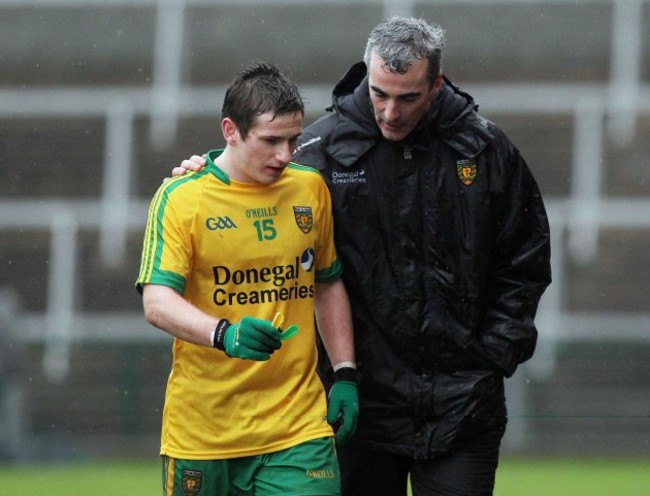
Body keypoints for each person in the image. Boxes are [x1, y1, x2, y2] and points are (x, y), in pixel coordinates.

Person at [172, 16, 552, 496]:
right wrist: (204, 169)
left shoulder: (483, 150)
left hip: (463, 405)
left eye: (407, 97)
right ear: (366, 76)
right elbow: (247, 182)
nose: (390, 112)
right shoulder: (317, 154)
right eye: (379, 93)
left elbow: (526, 257)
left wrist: (494, 353)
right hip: (356, 408)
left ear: (435, 85)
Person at [136, 62, 359, 496]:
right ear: (230, 131)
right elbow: (157, 302)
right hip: (203, 434)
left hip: (297, 428)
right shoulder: (181, 198)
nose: (285, 154)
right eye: (271, 140)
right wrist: (225, 334)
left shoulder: (310, 188)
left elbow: (327, 283)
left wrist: (346, 373)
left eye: (293, 139)